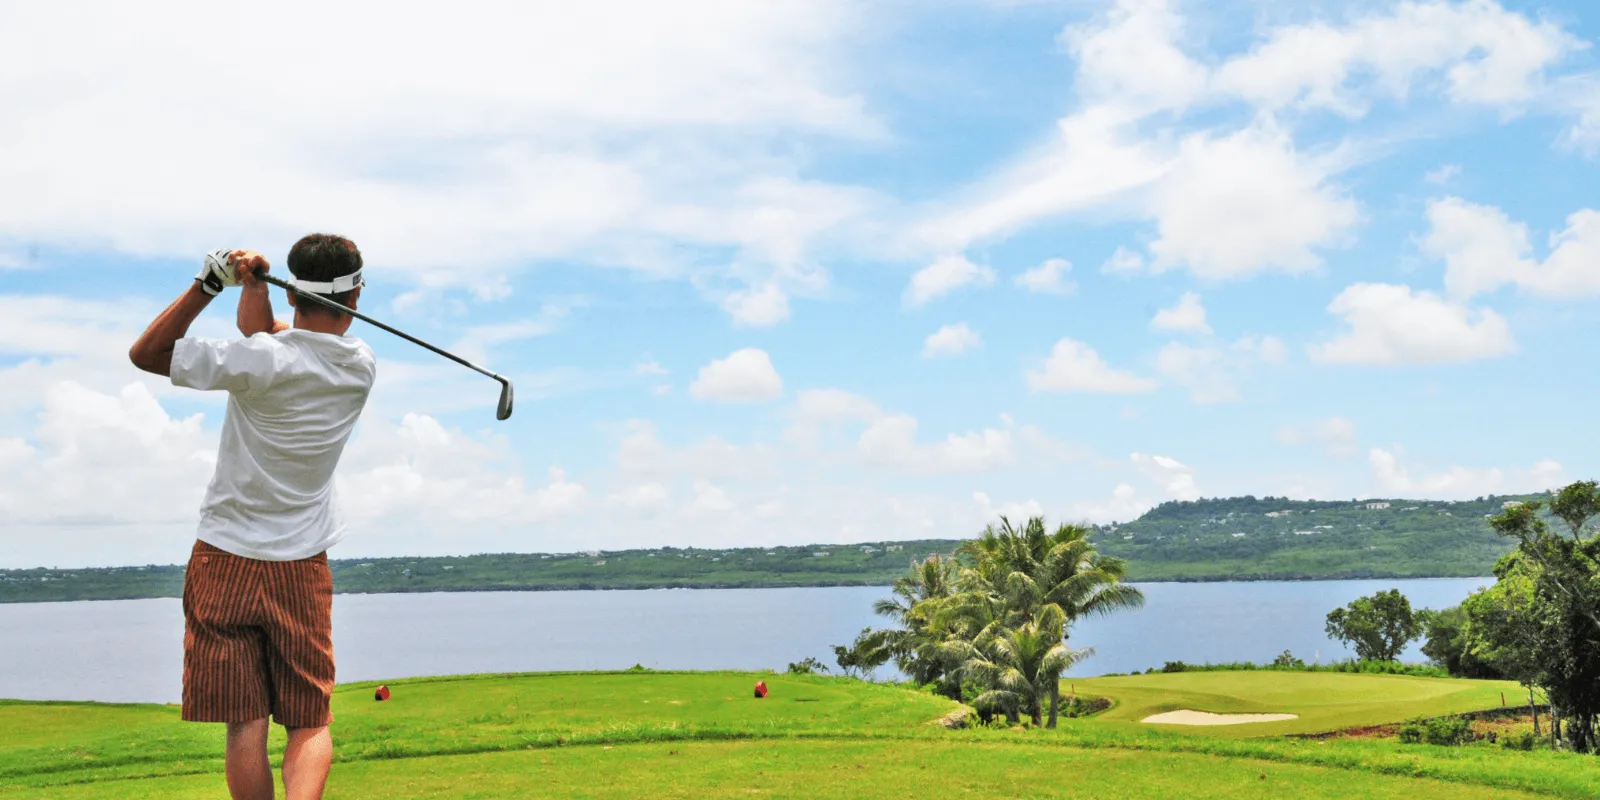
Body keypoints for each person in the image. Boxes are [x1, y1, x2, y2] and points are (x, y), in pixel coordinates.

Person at [129, 234, 377, 800]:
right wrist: (257, 287)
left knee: (246, 723)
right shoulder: (359, 364)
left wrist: (210, 285)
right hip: (300, 566)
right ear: (355, 295)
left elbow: (148, 354)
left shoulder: (259, 361)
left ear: (295, 294)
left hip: (224, 559)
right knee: (310, 720)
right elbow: (264, 335)